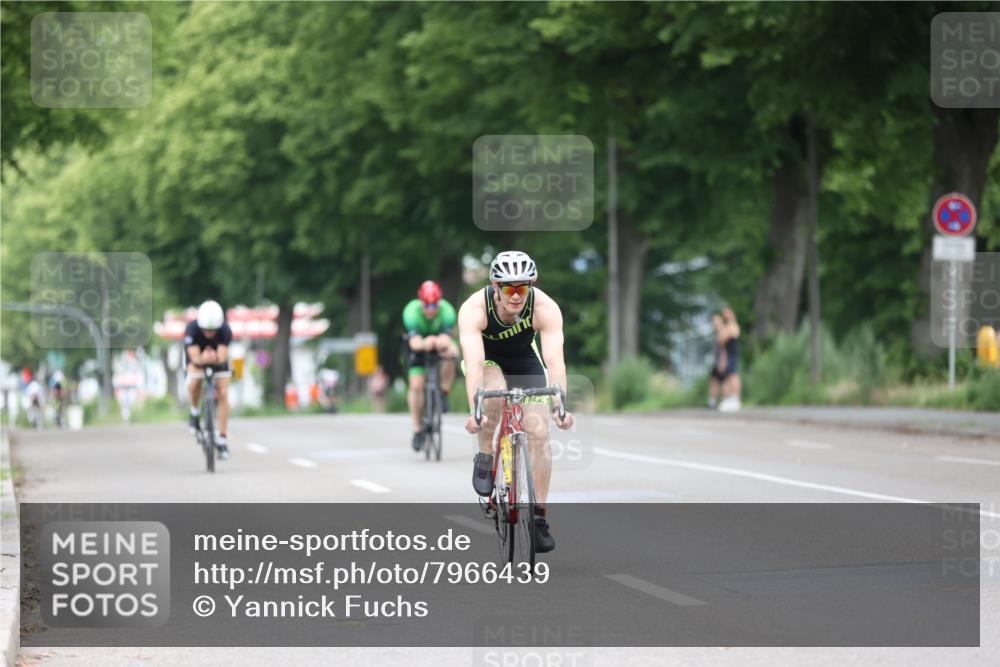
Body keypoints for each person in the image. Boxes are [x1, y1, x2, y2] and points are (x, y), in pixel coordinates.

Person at [459, 250, 574, 554]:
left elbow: (555, 361)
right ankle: (485, 455)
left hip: (525, 361)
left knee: (539, 432)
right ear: (495, 287)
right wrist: (477, 410)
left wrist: (560, 404)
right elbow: (473, 364)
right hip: (488, 362)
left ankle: (538, 519)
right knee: (493, 395)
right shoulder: (474, 309)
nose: (516, 295)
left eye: (522, 288)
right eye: (508, 288)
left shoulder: (544, 307)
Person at [403, 280, 458, 452]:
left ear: (439, 302)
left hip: (438, 343)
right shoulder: (411, 312)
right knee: (416, 385)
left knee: (452, 355)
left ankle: (444, 391)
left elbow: (448, 339)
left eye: (434, 305)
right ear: (421, 302)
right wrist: (426, 343)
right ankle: (417, 429)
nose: (431, 309)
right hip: (419, 345)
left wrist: (438, 342)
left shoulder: (447, 311)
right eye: (427, 305)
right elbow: (414, 343)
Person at [185, 300, 233, 459]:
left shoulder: (225, 330)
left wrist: (214, 358)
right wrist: (203, 359)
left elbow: (222, 357)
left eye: (213, 330)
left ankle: (223, 438)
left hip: (217, 359)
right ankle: (194, 412)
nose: (210, 333)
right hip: (196, 359)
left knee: (224, 393)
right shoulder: (191, 329)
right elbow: (194, 357)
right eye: (206, 330)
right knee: (194, 382)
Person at [718, 306, 742, 412]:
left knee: (733, 375)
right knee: (727, 377)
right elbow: (720, 340)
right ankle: (728, 398)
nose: (726, 315)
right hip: (727, 354)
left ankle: (736, 398)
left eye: (728, 313)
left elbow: (723, 338)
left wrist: (723, 333)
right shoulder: (726, 327)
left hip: (733, 354)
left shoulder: (733, 326)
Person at [707, 314, 727, 409]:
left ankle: (724, 401)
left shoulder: (723, 332)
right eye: (713, 320)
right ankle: (712, 401)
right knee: (713, 381)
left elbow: (724, 349)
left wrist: (722, 361)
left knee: (723, 381)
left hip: (721, 361)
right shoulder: (716, 332)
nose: (714, 322)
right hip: (716, 361)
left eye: (716, 320)